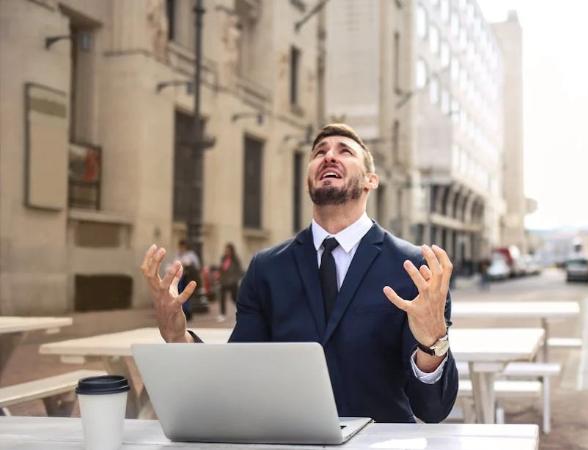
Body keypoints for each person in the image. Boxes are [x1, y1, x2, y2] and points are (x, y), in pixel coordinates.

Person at [140, 124, 458, 423]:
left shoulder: (415, 269)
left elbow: (432, 409)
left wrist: (433, 341)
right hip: (290, 440)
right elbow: (237, 376)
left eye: (344, 151)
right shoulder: (267, 268)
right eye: (319, 152)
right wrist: (177, 337)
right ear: (308, 178)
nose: (329, 156)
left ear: (370, 181)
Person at [173, 239, 201, 321]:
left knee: (187, 295)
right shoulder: (178, 255)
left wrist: (187, 265)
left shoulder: (191, 255)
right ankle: (183, 312)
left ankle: (188, 312)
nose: (181, 248)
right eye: (180, 246)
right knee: (179, 294)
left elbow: (196, 265)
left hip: (187, 278)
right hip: (179, 278)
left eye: (182, 246)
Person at [217, 243, 244, 322]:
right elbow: (221, 269)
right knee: (222, 298)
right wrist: (219, 278)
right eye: (226, 249)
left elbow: (239, 271)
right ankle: (222, 314)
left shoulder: (235, 259)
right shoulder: (223, 258)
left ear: (232, 251)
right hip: (224, 282)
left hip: (232, 282)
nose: (226, 251)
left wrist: (235, 279)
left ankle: (240, 311)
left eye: (228, 250)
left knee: (234, 298)